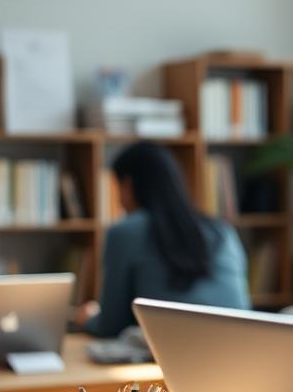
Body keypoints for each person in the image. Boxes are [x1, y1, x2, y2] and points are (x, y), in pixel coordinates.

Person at [78, 142, 249, 337]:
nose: (119, 201)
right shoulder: (222, 231)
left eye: (118, 188)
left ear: (129, 184)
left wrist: (88, 318)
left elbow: (110, 326)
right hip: (240, 350)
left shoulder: (124, 232)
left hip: (172, 356)